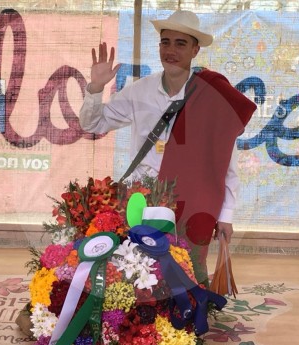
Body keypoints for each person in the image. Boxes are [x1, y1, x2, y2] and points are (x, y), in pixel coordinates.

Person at [79, 10, 257, 286]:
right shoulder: (140, 91)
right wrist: (95, 87)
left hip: (191, 200)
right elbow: (93, 123)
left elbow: (226, 161)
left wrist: (226, 215)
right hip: (142, 199)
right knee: (139, 275)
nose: (170, 50)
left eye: (180, 43)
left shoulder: (210, 96)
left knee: (188, 277)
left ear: (196, 49)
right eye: (165, 42)